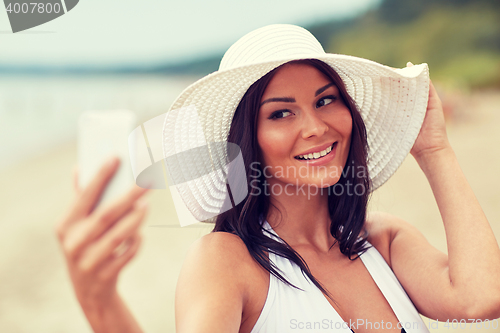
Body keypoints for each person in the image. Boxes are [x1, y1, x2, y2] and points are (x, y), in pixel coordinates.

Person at [55, 24, 500, 333]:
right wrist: (101, 304)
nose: (314, 127)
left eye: (326, 101)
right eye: (282, 112)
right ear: (249, 139)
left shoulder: (381, 241)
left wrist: (435, 150)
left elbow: (479, 299)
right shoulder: (227, 261)